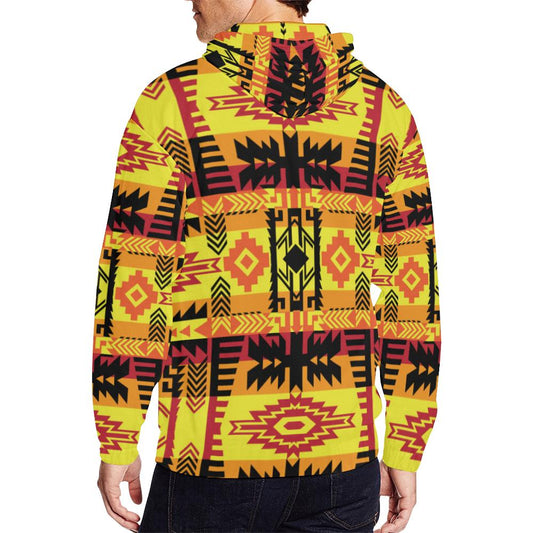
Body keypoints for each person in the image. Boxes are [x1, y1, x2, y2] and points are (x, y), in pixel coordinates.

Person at [92, 0, 442, 531]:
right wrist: (404, 444)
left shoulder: (173, 103)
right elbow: (412, 293)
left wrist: (118, 435)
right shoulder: (383, 109)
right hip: (343, 462)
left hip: (209, 462)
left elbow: (134, 280)